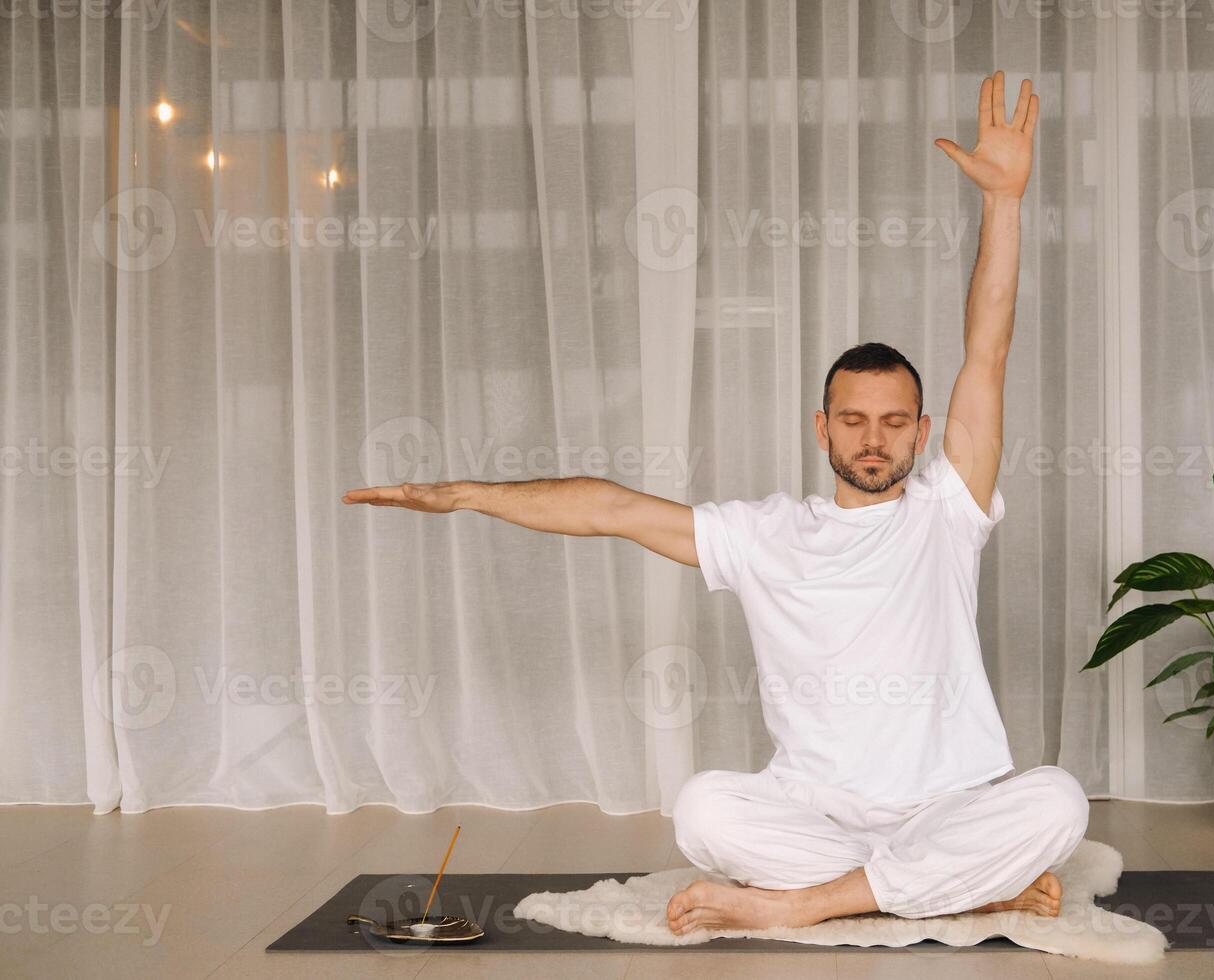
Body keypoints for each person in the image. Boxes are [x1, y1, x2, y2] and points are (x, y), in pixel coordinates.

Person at [341, 70, 1088, 936]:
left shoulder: (948, 509)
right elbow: (611, 509)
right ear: (823, 430)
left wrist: (1004, 201)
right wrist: (463, 493)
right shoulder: (765, 533)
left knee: (1057, 801)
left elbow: (986, 350)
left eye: (892, 423)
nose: (873, 440)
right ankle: (956, 889)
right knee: (704, 810)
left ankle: (814, 902)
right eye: (853, 420)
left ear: (922, 433)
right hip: (814, 813)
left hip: (943, 806)